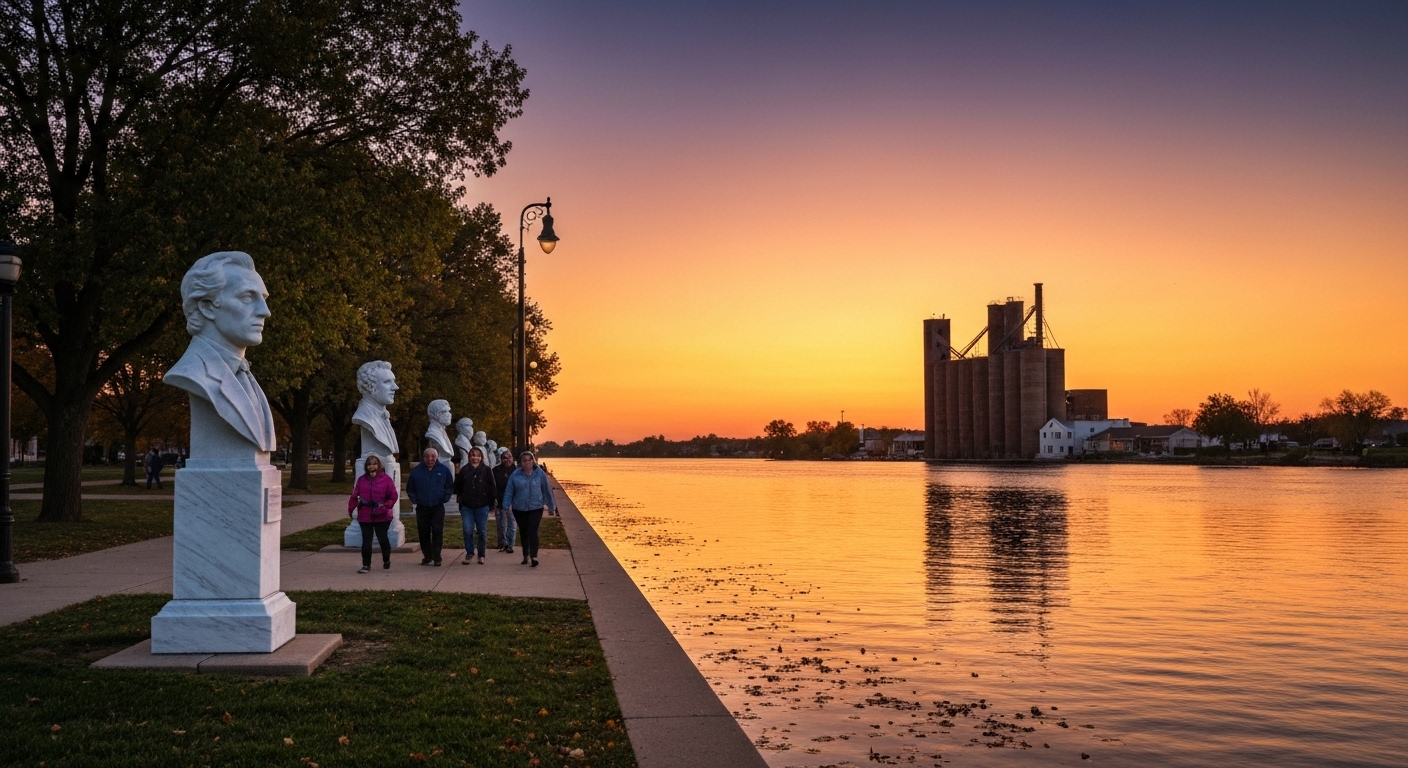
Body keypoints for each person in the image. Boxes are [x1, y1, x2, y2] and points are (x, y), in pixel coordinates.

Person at [501, 451, 556, 568]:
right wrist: (505, 505)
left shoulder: (540, 474)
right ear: (521, 462)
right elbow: (509, 491)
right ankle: (525, 554)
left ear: (533, 460)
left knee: (532, 530)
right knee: (524, 531)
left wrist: (551, 507)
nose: (527, 462)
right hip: (519, 508)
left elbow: (547, 489)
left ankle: (534, 556)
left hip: (536, 507)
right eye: (524, 460)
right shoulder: (515, 475)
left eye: (529, 460)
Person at [347, 454, 398, 573]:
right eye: (369, 464)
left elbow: (393, 496)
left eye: (374, 464)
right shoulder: (362, 480)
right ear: (366, 467)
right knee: (366, 540)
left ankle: (386, 559)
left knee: (383, 539)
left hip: (382, 514)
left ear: (379, 465)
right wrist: (351, 508)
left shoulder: (386, 479)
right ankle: (366, 565)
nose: (372, 467)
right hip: (365, 514)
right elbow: (354, 495)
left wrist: (386, 506)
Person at [406, 447, 453, 566]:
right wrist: (415, 500)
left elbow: (449, 486)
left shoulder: (443, 470)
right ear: (423, 457)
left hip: (437, 506)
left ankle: (437, 557)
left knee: (437, 531)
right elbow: (410, 488)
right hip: (422, 507)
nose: (430, 458)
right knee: (423, 532)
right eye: (427, 456)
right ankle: (427, 556)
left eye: (433, 456)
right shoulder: (417, 471)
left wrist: (445, 497)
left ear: (436, 457)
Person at [454, 447, 496, 564]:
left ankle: (481, 554)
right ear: (469, 457)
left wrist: (491, 505)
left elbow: (492, 488)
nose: (475, 458)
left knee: (481, 531)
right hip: (467, 506)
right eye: (472, 455)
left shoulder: (486, 470)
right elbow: (458, 487)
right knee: (468, 530)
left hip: (482, 506)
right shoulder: (464, 470)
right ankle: (469, 552)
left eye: (477, 455)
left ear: (481, 457)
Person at [492, 448, 517, 553]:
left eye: (509, 457)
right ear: (501, 459)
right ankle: (502, 544)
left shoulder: (517, 471)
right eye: (504, 458)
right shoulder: (495, 471)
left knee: (512, 524)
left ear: (512, 458)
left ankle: (510, 544)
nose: (507, 460)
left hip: (514, 502)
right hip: (500, 501)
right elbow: (492, 486)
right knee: (501, 525)